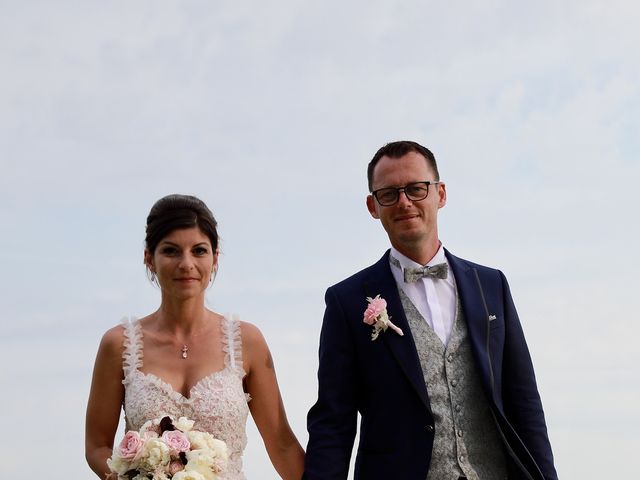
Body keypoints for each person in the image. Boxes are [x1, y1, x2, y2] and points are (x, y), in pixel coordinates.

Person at [304, 141, 557, 480]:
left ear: (440, 194)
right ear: (373, 206)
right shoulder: (347, 301)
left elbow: (524, 402)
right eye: (389, 193)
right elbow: (333, 423)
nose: (404, 202)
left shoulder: (491, 285)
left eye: (416, 189)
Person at [85, 194, 304, 480]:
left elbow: (282, 444)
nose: (186, 263)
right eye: (171, 251)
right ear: (149, 258)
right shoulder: (119, 345)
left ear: (215, 258)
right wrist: (137, 476)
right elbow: (97, 446)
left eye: (199, 251)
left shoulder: (247, 342)